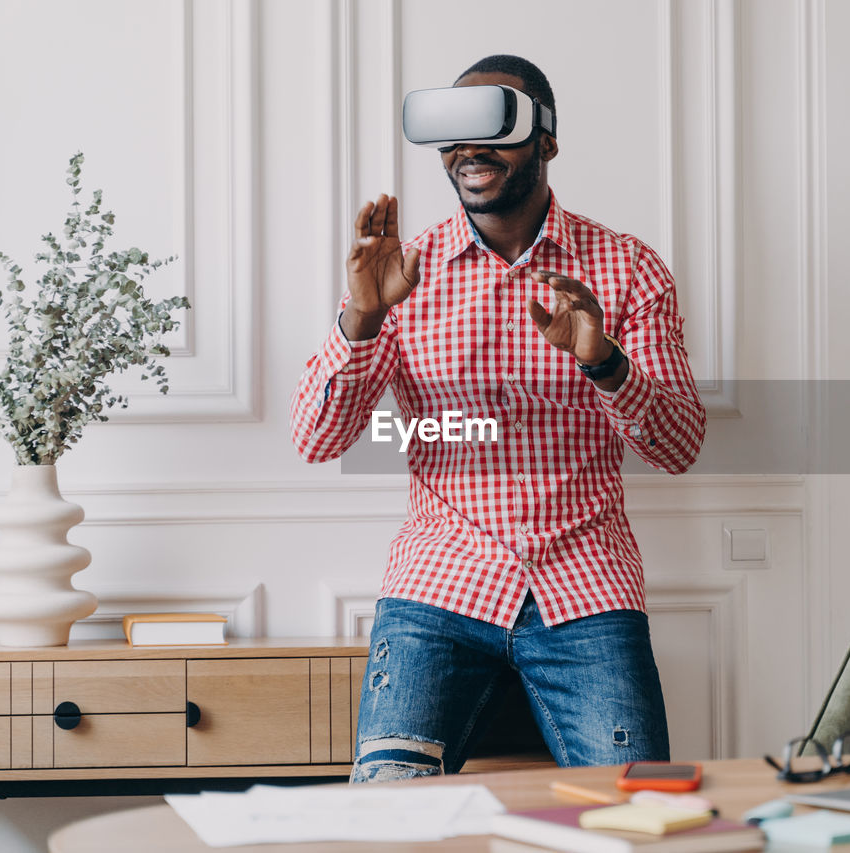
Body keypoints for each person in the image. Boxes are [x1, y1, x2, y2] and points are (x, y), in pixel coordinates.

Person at [290, 54, 706, 782]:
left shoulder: (629, 269)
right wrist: (361, 316)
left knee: (640, 812)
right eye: (454, 133)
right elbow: (315, 439)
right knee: (385, 811)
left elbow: (680, 445)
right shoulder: (399, 273)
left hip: (586, 584)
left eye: (495, 129)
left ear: (546, 140)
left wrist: (603, 359)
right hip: (438, 586)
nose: (469, 151)